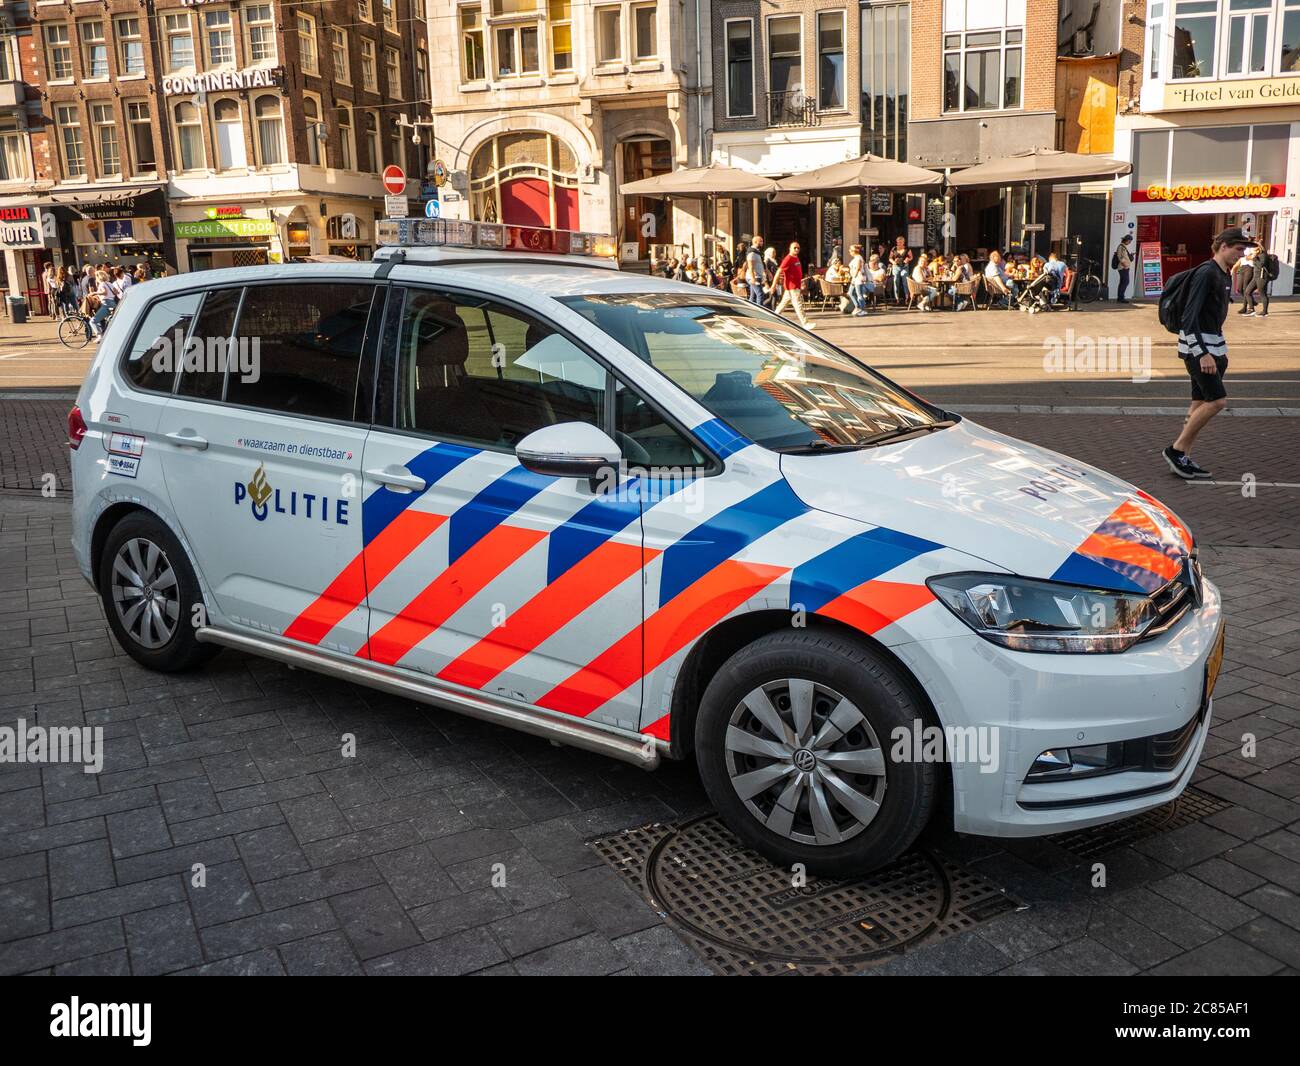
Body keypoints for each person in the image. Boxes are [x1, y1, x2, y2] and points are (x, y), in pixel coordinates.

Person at [1162, 227, 1250, 480]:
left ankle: (1183, 457)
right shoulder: (1207, 273)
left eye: (1243, 250)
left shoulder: (1223, 275)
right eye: (1238, 248)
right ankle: (1176, 450)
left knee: (1199, 403)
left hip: (1215, 347)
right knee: (1217, 401)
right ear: (1223, 246)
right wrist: (1202, 354)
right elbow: (1189, 319)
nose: (1241, 254)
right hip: (1200, 350)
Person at [773, 241, 815, 328]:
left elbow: (796, 272)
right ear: (790, 249)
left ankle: (773, 317)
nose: (796, 249)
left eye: (798, 248)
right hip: (792, 287)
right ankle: (805, 323)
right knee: (798, 305)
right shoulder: (788, 259)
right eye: (794, 248)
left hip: (794, 286)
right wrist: (773, 285)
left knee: (783, 304)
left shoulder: (796, 258)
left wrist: (800, 282)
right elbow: (779, 271)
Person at [1241, 244, 1272, 318]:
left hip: (1262, 277)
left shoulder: (1263, 255)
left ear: (1259, 249)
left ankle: (1264, 311)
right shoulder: (1257, 256)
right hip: (1255, 277)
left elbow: (1261, 265)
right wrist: (1252, 258)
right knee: (1247, 292)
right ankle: (1251, 309)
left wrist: (1254, 258)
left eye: (1254, 250)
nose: (1253, 252)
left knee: (1262, 293)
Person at [888, 237, 913, 304]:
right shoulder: (894, 249)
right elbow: (890, 258)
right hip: (896, 266)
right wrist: (893, 262)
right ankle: (897, 298)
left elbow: (911, 257)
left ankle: (907, 298)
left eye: (901, 242)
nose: (899, 243)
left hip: (904, 266)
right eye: (898, 242)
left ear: (903, 242)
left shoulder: (907, 249)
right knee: (896, 281)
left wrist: (908, 259)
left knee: (905, 280)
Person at [848, 244, 869, 316]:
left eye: (851, 250)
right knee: (850, 293)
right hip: (855, 278)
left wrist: (854, 277)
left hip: (858, 278)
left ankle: (862, 309)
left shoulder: (858, 258)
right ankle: (857, 307)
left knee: (859, 294)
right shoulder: (856, 258)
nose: (849, 251)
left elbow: (858, 268)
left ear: (855, 251)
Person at [744, 236, 767, 305]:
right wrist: (753, 278)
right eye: (761, 241)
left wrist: (767, 273)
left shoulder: (757, 252)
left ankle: (750, 311)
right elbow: (751, 267)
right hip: (754, 277)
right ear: (755, 242)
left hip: (756, 276)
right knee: (760, 294)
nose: (762, 243)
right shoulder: (752, 252)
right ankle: (760, 312)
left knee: (753, 296)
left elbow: (761, 264)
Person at [1114, 234, 1134, 302]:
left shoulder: (1123, 246)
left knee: (1123, 282)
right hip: (1123, 268)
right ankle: (1121, 298)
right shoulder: (1121, 247)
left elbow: (1124, 256)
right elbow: (1120, 257)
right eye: (1129, 241)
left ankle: (1120, 297)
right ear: (1126, 240)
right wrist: (1125, 265)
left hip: (1124, 267)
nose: (1129, 242)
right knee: (1125, 282)